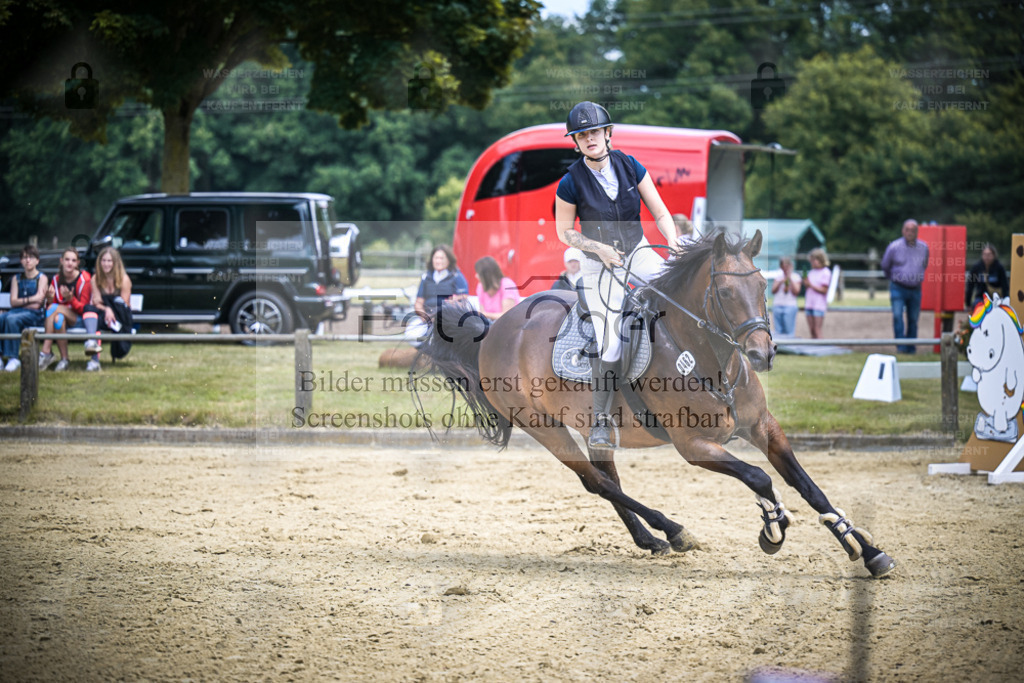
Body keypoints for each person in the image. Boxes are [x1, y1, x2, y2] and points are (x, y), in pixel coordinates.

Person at [554, 101, 684, 452]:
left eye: (594, 131)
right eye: (582, 135)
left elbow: (660, 211)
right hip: (599, 265)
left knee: (681, 299)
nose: (589, 138)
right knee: (610, 339)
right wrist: (599, 249)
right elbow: (565, 233)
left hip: (638, 250)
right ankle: (600, 422)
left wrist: (673, 245)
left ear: (608, 133)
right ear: (576, 142)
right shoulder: (569, 183)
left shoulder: (631, 165)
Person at [881, 219, 929, 354]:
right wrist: (895, 278)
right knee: (897, 315)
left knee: (913, 319)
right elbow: (885, 265)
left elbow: (924, 264)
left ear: (917, 232)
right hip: (898, 287)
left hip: (915, 289)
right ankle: (901, 346)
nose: (910, 233)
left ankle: (911, 346)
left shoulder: (924, 248)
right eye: (907, 230)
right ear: (903, 231)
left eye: (913, 230)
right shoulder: (894, 247)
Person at [38, 248, 91, 371]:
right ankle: (64, 359)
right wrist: (50, 299)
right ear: (61, 261)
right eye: (67, 259)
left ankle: (46, 351)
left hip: (80, 318)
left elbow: (85, 309)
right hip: (62, 316)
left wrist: (71, 299)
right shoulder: (56, 279)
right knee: (58, 319)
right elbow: (51, 309)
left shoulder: (84, 279)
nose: (70, 263)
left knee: (54, 309)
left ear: (78, 263)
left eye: (73, 260)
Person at [81, 247, 133, 372]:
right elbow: (97, 302)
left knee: (96, 319)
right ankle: (94, 361)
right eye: (103, 261)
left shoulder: (124, 279)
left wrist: (110, 310)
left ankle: (93, 352)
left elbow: (123, 304)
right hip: (104, 313)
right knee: (90, 312)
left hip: (121, 316)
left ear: (115, 263)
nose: (106, 264)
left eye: (109, 261)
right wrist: (107, 309)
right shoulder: (96, 279)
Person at [408, 245, 469, 345]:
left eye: (441, 258)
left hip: (447, 318)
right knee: (412, 336)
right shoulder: (426, 277)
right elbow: (419, 302)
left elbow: (464, 300)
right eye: (436, 258)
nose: (438, 261)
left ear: (448, 260)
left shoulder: (457, 276)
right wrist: (424, 316)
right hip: (428, 317)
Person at [1, 245, 49, 372]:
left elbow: (37, 304)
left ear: (37, 260)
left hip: (35, 315)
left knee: (11, 319)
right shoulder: (16, 279)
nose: (28, 260)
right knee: (1, 318)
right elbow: (13, 301)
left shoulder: (42, 278)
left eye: (31, 257)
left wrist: (21, 302)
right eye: (25, 257)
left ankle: (13, 358)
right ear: (21, 261)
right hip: (16, 312)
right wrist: (31, 299)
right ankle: (0, 356)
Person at [474, 256, 521, 320]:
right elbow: (482, 314)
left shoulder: (507, 285)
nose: (476, 276)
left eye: (478, 273)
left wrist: (486, 315)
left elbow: (508, 315)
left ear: (486, 276)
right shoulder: (480, 287)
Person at [965, 243, 1009, 309]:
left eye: (989, 255)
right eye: (985, 254)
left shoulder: (999, 268)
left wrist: (1006, 300)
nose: (986, 257)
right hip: (980, 298)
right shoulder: (976, 268)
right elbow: (970, 286)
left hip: (996, 298)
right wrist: (968, 303)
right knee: (978, 306)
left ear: (994, 255)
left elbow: (1005, 286)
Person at [803, 248, 831, 339]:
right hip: (809, 304)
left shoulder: (826, 272)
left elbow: (824, 290)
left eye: (813, 260)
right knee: (811, 330)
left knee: (817, 329)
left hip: (819, 305)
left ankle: (821, 349)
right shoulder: (811, 272)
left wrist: (810, 285)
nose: (812, 263)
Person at [771, 256, 801, 337]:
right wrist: (781, 281)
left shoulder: (796, 277)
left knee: (789, 331)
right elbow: (773, 290)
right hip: (778, 305)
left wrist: (789, 278)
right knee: (778, 331)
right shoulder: (778, 277)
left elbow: (796, 291)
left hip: (790, 306)